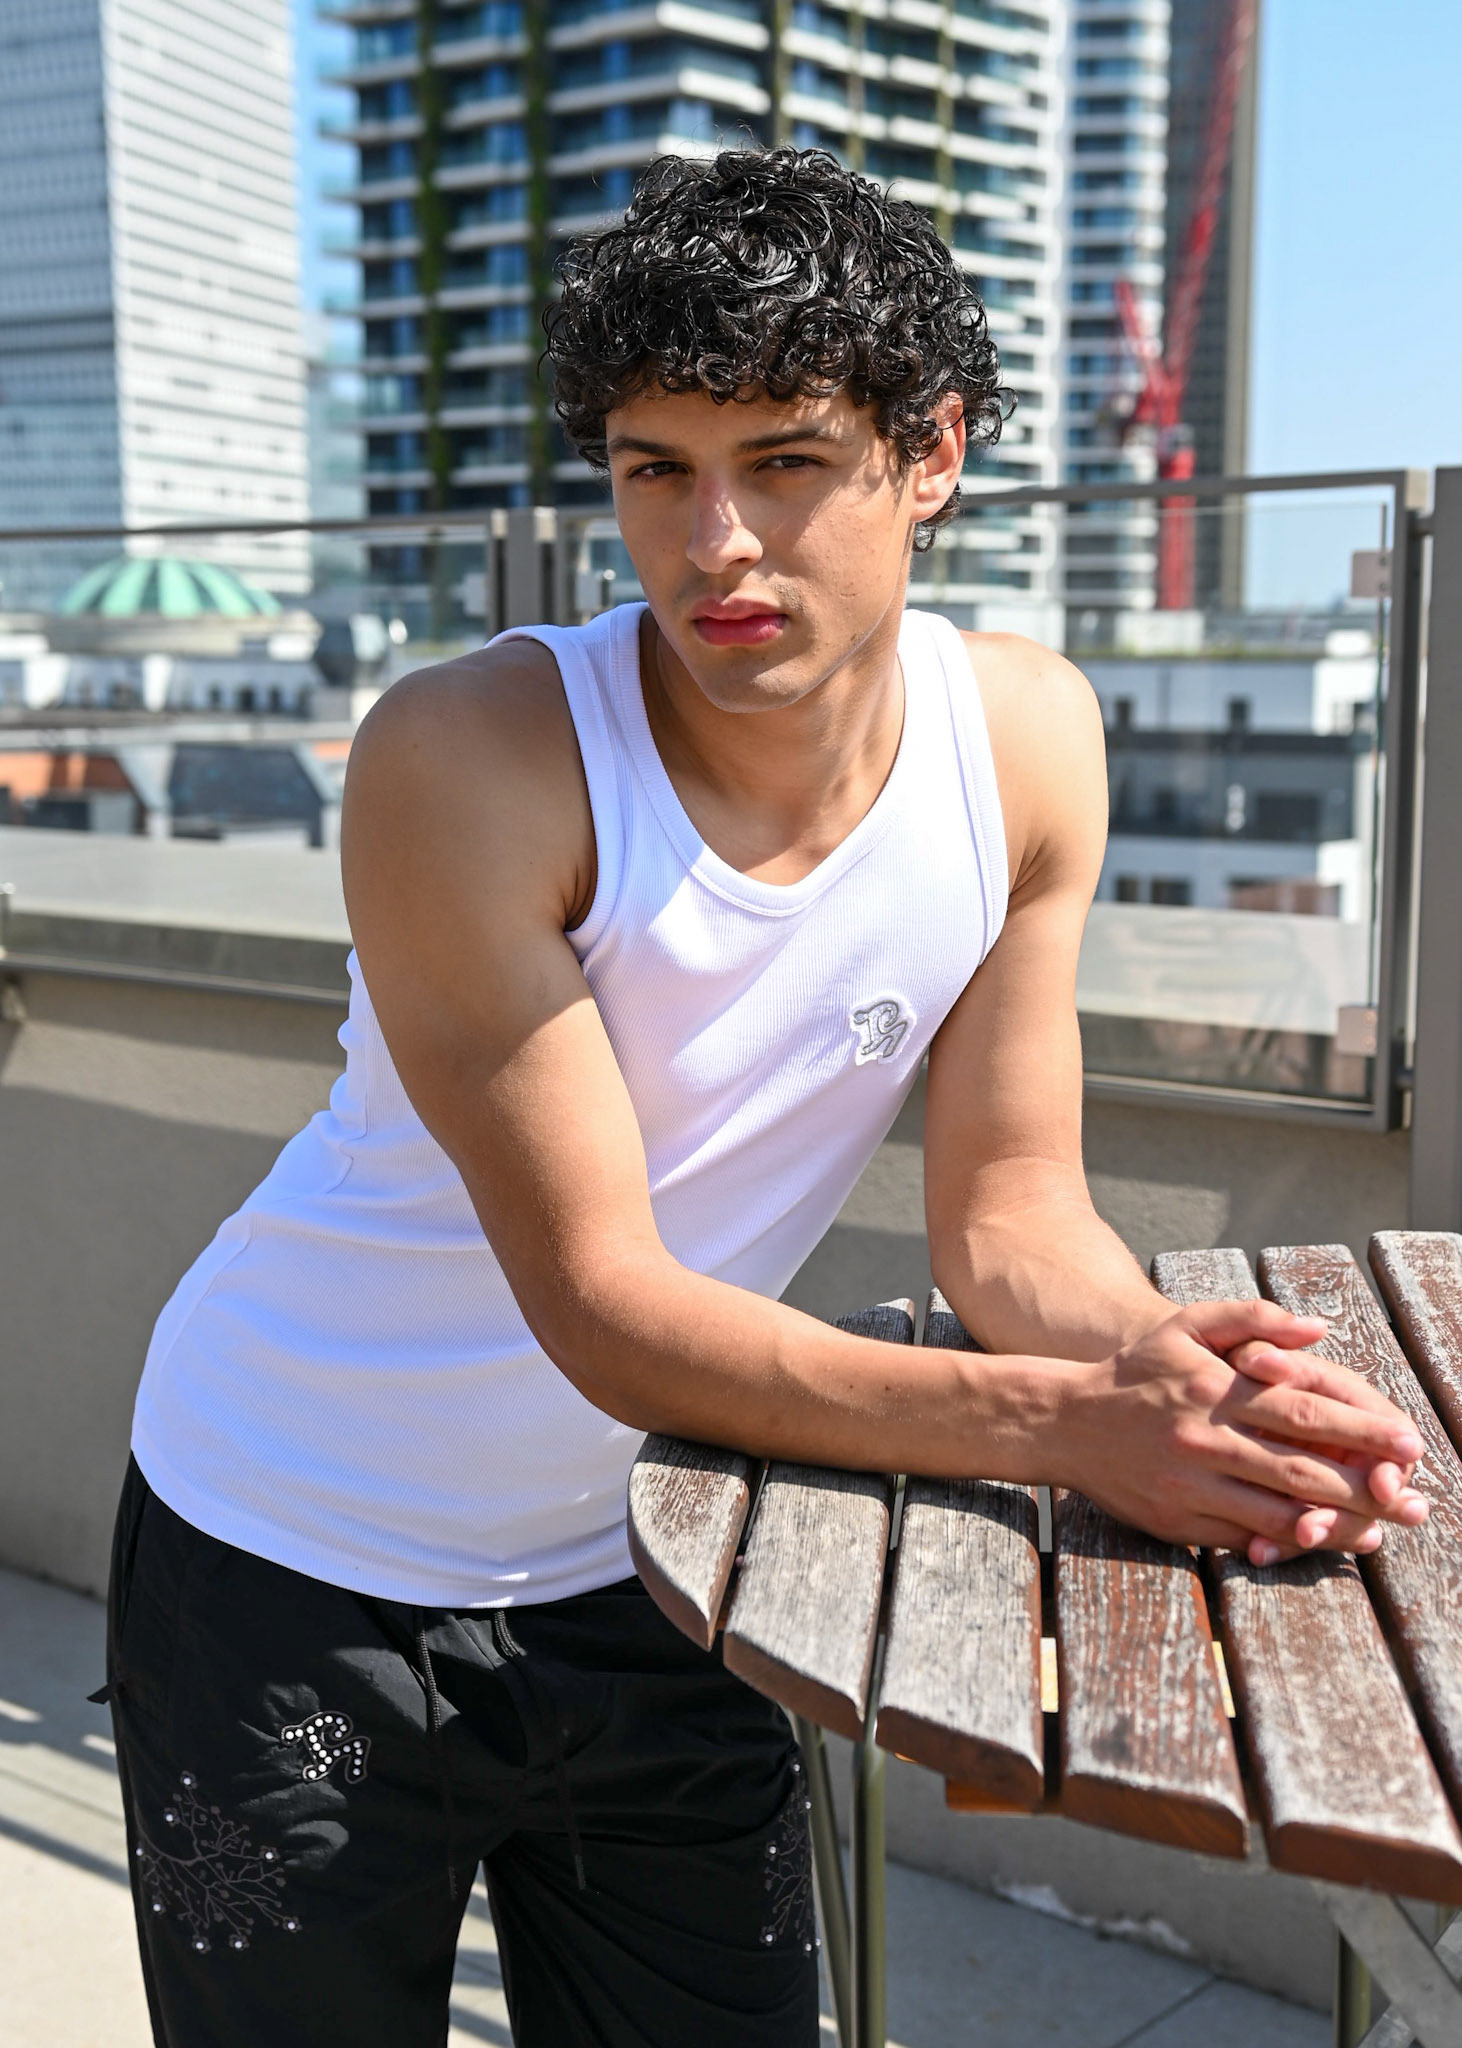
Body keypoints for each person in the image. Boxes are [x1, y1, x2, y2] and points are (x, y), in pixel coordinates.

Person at [105, 149, 1427, 2048]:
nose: (714, 543)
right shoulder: (474, 756)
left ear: (930, 453)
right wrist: (1072, 1428)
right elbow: (604, 1305)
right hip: (289, 1556)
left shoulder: (1024, 740)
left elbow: (1011, 1215)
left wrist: (1172, 1375)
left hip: (666, 1553)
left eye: (787, 461)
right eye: (655, 469)